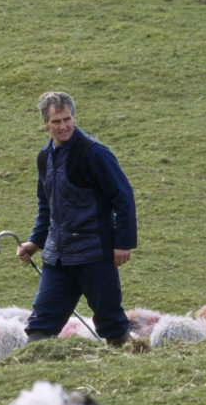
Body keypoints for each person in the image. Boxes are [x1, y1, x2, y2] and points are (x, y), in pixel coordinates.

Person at [16, 91, 137, 347]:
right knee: (39, 327)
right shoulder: (44, 157)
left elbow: (123, 196)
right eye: (56, 121)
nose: (63, 126)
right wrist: (35, 243)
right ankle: (32, 374)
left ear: (74, 117)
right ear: (45, 124)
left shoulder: (95, 153)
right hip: (57, 258)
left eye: (67, 119)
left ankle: (130, 369)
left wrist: (123, 243)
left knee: (113, 325)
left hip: (95, 255)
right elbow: (46, 205)